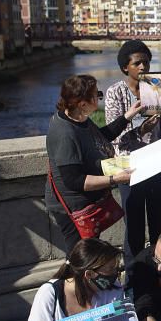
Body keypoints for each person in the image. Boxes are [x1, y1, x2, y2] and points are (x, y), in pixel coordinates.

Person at [105, 40, 161, 261]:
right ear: (125, 67)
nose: (143, 67)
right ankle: (134, 276)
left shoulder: (160, 88)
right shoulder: (115, 92)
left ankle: (159, 271)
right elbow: (113, 136)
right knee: (134, 228)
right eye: (137, 63)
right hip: (129, 170)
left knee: (160, 226)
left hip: (157, 166)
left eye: (146, 62)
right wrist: (141, 131)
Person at [45, 75, 139, 252]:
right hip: (73, 208)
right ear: (82, 104)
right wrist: (115, 179)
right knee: (80, 256)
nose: (99, 98)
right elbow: (74, 181)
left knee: (88, 253)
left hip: (87, 204)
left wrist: (128, 116)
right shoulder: (65, 133)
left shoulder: (79, 118)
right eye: (97, 95)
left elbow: (100, 137)